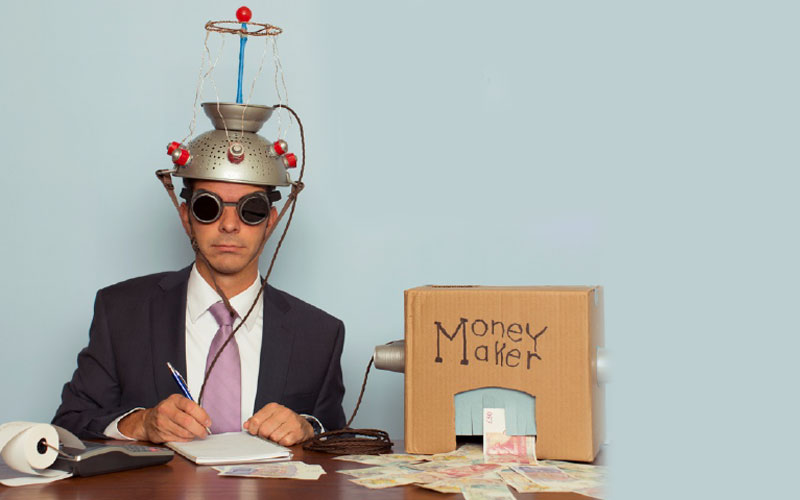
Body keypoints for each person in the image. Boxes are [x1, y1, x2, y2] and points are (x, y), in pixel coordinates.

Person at [52, 103, 345, 446]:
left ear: (271, 221)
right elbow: (68, 426)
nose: (229, 225)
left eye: (251, 210)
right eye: (209, 207)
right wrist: (140, 424)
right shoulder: (121, 312)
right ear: (185, 216)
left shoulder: (319, 335)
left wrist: (309, 429)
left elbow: (339, 442)